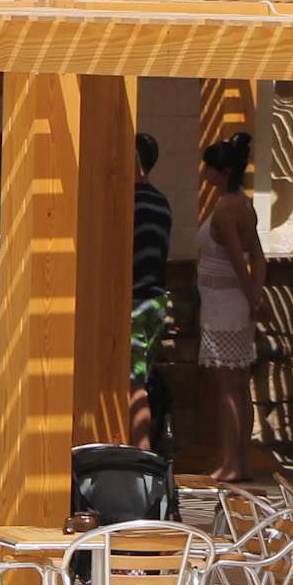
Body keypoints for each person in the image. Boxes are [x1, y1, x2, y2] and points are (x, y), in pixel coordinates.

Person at [198, 132, 268, 483]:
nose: (205, 172)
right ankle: (241, 460)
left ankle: (231, 462)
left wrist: (254, 297)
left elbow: (242, 263)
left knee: (229, 387)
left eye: (209, 167)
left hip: (225, 305)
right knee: (239, 386)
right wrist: (256, 295)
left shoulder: (226, 209)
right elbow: (259, 256)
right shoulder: (245, 204)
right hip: (233, 303)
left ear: (223, 171)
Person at [130, 132, 175, 452]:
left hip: (134, 300)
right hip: (157, 300)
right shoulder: (162, 202)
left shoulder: (129, 201)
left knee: (133, 384)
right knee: (140, 378)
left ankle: (140, 455)